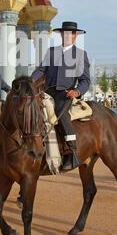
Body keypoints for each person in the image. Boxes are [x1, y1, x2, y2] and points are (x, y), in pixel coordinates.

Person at [31, 21, 90, 171]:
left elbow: (85, 80)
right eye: (64, 33)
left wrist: (76, 91)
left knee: (59, 113)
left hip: (66, 94)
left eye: (70, 33)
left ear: (75, 36)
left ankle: (71, 151)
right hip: (47, 92)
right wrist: (29, 81)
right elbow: (40, 70)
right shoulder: (51, 52)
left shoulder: (81, 55)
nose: (67, 36)